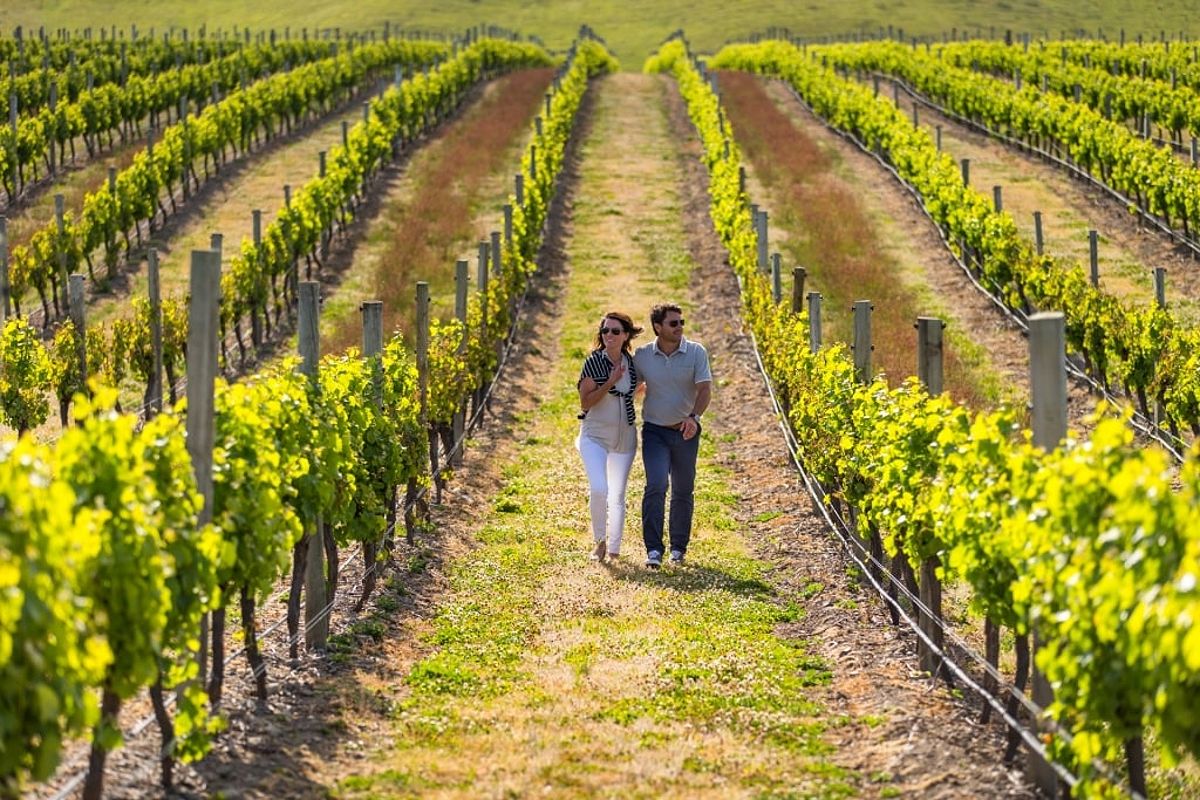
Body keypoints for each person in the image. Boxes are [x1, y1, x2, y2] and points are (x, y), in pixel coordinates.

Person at [633, 303, 711, 569]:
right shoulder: (643, 355)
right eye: (673, 323)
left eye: (681, 323)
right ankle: (653, 550)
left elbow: (704, 390)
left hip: (686, 431)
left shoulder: (696, 352)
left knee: (682, 489)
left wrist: (694, 418)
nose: (680, 327)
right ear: (658, 327)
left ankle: (678, 549)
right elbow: (629, 386)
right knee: (656, 485)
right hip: (654, 431)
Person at [576, 312, 644, 562]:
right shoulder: (594, 362)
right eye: (605, 331)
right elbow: (586, 402)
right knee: (599, 488)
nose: (609, 336)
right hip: (594, 435)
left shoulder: (632, 364)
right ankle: (599, 542)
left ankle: (614, 548)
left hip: (625, 437)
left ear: (626, 335)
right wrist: (609, 382)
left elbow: (632, 391)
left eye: (615, 331)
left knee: (617, 494)